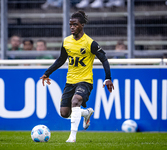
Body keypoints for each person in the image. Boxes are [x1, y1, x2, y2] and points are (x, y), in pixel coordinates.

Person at [40, 10, 114, 142]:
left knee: (76, 101)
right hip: (70, 82)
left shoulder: (90, 43)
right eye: (70, 25)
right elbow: (61, 59)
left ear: (82, 25)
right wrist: (47, 73)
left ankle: (72, 137)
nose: (72, 27)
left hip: (85, 81)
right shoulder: (66, 41)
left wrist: (108, 78)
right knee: (64, 113)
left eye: (75, 24)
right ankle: (86, 113)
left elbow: (104, 58)